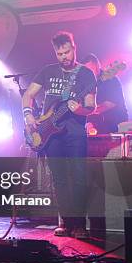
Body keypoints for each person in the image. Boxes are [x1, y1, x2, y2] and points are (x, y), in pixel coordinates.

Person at [22, 31, 96, 238]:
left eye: (67, 52)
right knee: (60, 179)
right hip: (50, 133)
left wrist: (79, 109)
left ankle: (80, 224)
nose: (64, 56)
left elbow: (91, 106)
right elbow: (28, 95)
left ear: (74, 48)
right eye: (59, 53)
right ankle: (66, 222)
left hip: (75, 133)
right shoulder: (47, 71)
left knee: (79, 177)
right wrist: (28, 115)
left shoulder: (86, 74)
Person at [80, 54, 128, 134]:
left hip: (116, 125)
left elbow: (109, 104)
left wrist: (85, 111)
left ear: (98, 66)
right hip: (95, 125)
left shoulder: (111, 79)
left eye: (91, 70)